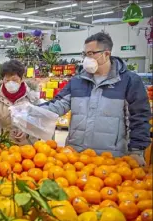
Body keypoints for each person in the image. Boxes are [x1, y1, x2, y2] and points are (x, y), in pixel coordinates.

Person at [41, 32, 151, 163]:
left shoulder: (129, 81)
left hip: (111, 159)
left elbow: (139, 117)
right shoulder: (77, 81)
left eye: (91, 54)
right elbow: (57, 105)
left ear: (106, 54)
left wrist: (137, 151)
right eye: (85, 54)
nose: (87, 58)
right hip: (75, 157)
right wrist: (28, 111)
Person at [0, 60, 41, 145]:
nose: (10, 83)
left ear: (22, 78)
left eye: (14, 80)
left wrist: (28, 130)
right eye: (7, 80)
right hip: (6, 144)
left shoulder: (32, 96)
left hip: (29, 147)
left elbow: (39, 118)